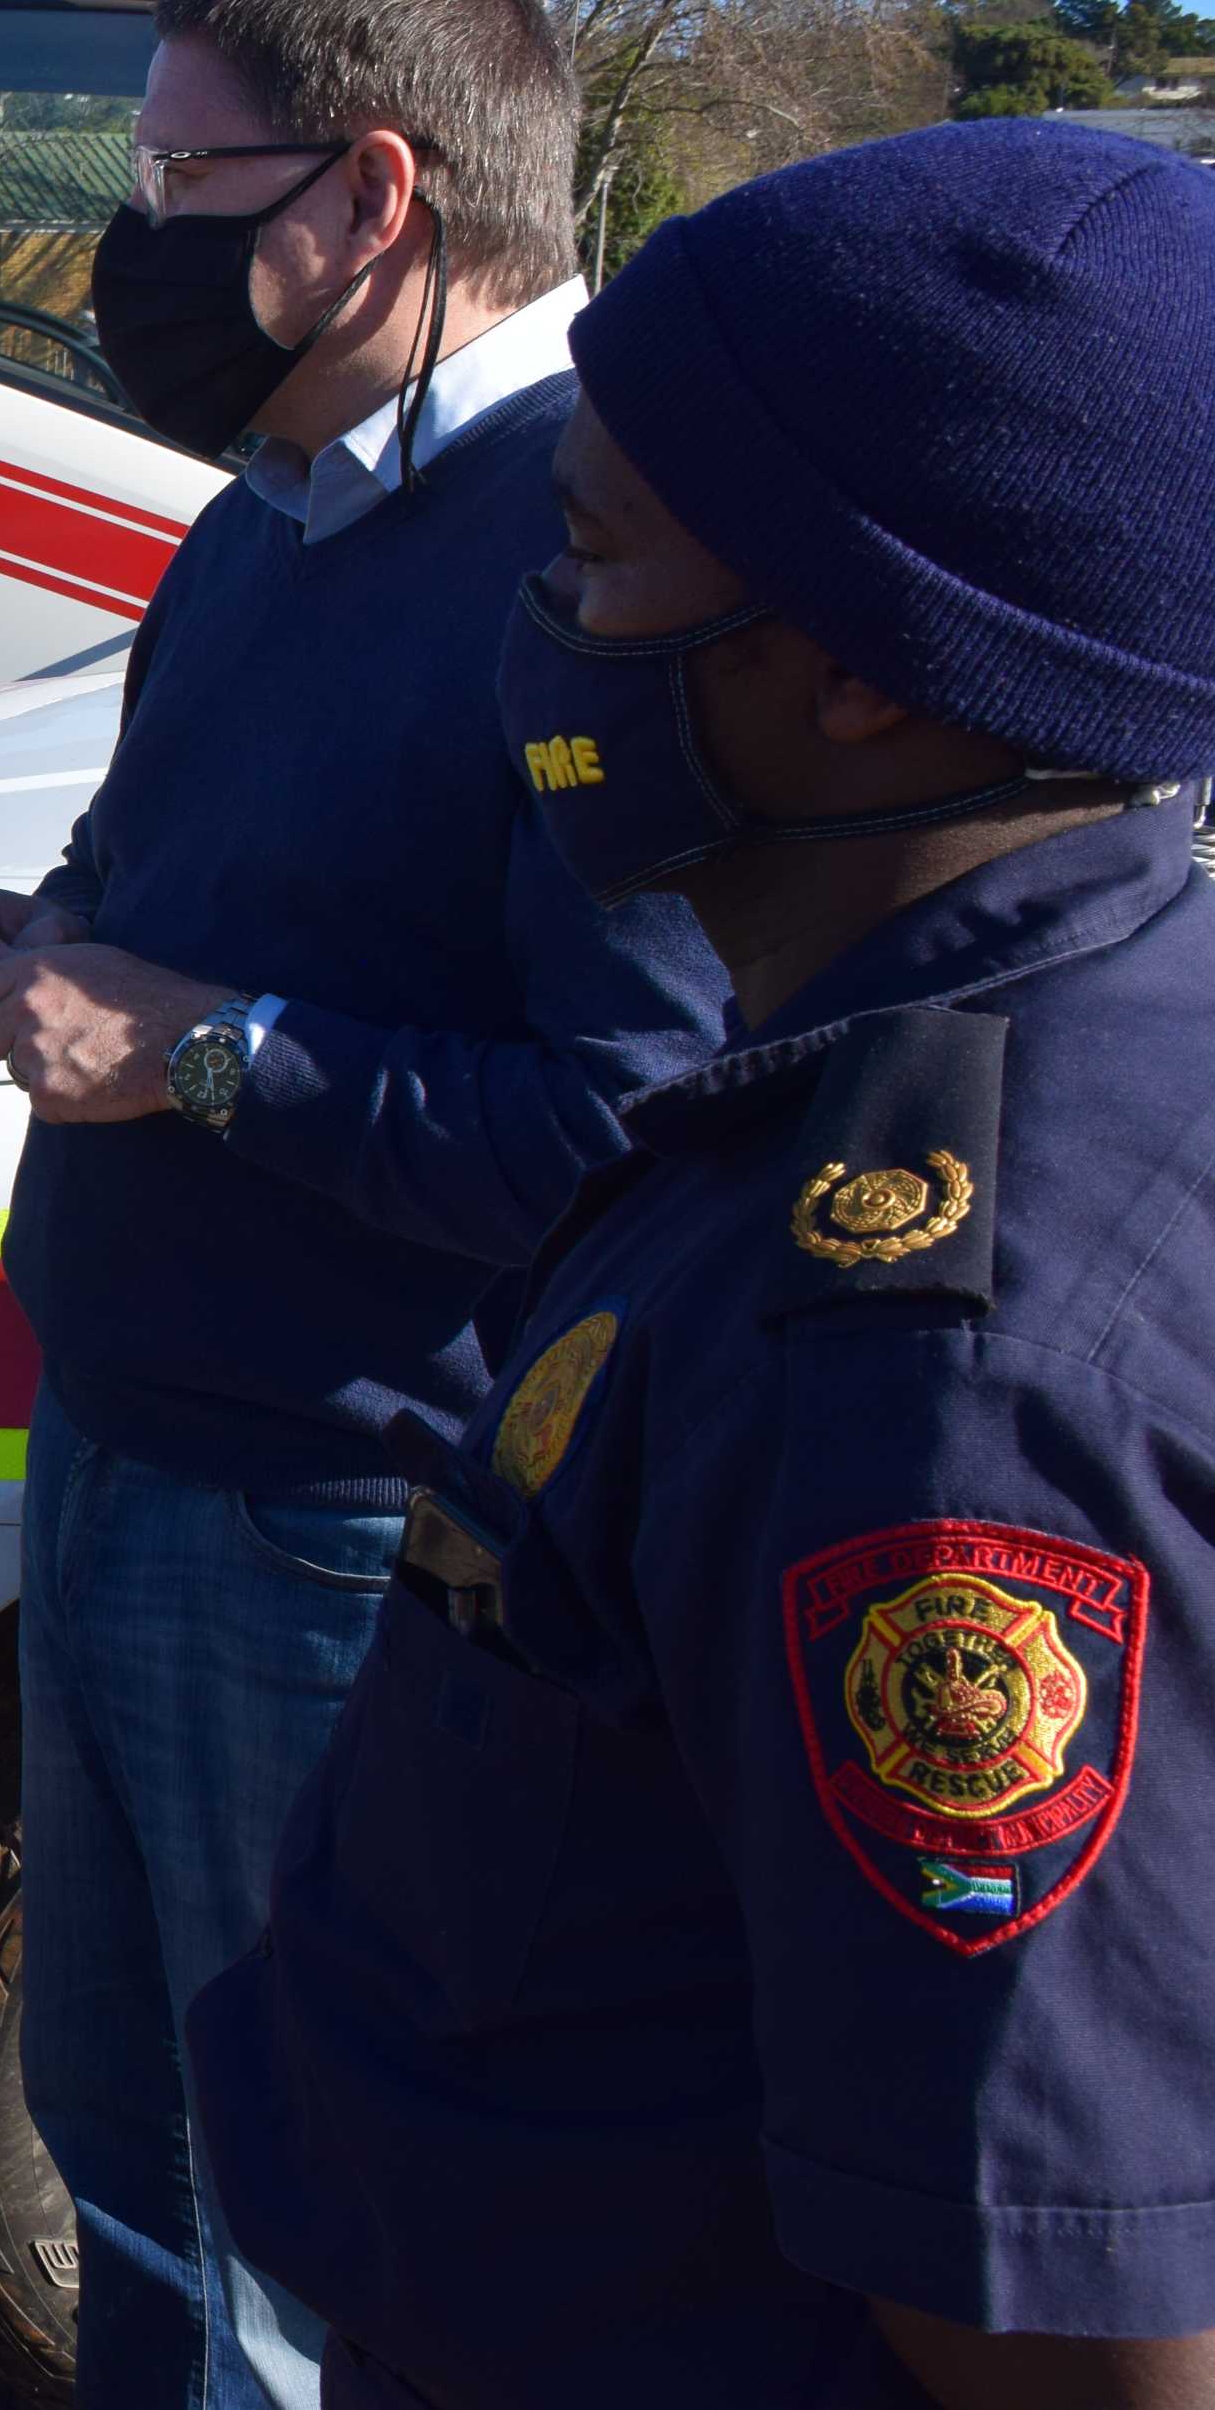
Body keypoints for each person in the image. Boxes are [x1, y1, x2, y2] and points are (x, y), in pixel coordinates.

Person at [187, 119, 1215, 2407]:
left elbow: (1059, 2317)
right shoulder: (999, 1061)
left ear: (858, 661)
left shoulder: (941, 1366)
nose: (534, 627)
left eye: (590, 550)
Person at [0, 0, 730, 2408]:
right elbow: (192, 872)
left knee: (300, 2207)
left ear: (369, 196)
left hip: (344, 1525)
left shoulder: (595, 554)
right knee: (116, 2141)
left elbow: (633, 1129)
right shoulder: (269, 506)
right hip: (127, 1431)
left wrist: (199, 1054)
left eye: (178, 180)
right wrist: (47, 934)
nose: (126, 247)